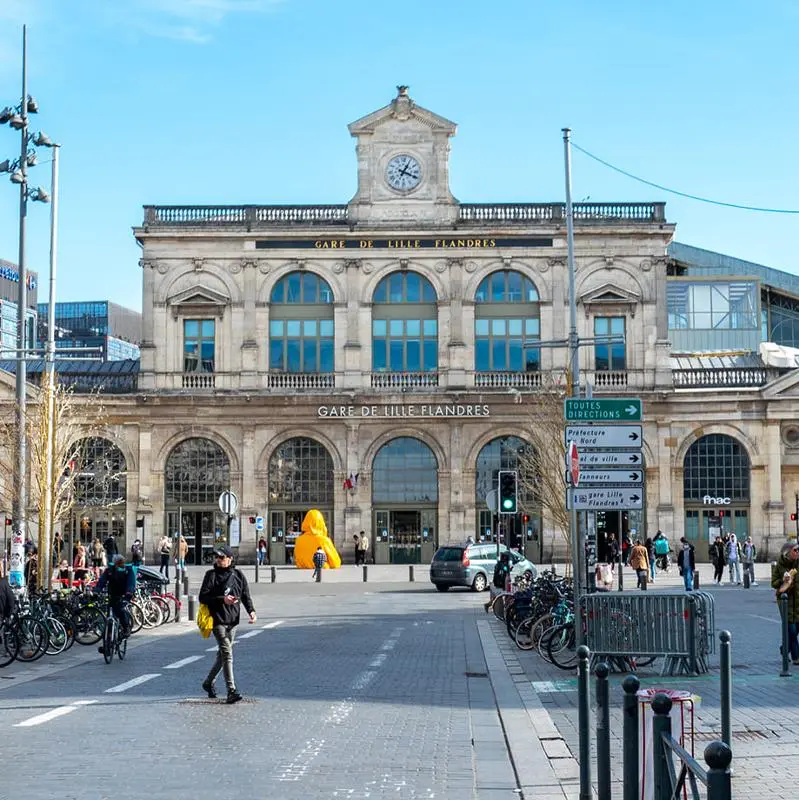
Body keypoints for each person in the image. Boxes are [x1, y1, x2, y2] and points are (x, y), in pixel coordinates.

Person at [199, 544, 256, 704]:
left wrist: (251, 611)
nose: (218, 560)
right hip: (217, 619)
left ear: (230, 559)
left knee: (222, 655)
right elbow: (203, 597)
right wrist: (221, 599)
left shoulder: (238, 575)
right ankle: (231, 690)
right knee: (227, 653)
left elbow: (245, 595)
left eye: (221, 557)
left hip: (233, 620)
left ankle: (208, 683)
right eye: (216, 557)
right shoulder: (211, 575)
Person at [96, 554, 135, 652]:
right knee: (108, 620)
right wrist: (96, 590)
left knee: (121, 610)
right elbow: (102, 581)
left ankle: (126, 628)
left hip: (123, 595)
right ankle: (107, 645)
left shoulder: (128, 570)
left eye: (121, 562)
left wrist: (129, 592)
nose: (120, 564)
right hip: (112, 595)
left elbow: (131, 582)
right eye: (118, 563)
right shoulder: (110, 570)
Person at [772, 542, 799, 664]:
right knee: (792, 630)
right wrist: (783, 580)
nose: (797, 552)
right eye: (795, 550)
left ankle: (784, 649)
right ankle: (796, 657)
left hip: (798, 602)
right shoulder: (779, 565)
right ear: (787, 553)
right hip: (785, 601)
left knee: (795, 629)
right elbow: (774, 583)